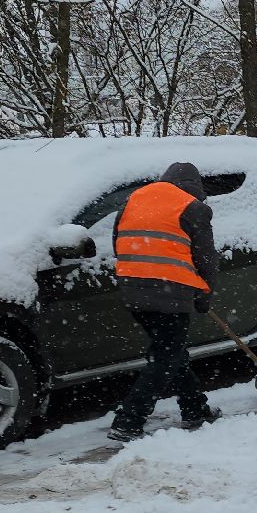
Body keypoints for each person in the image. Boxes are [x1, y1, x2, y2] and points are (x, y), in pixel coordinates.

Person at [107, 162, 223, 442]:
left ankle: (194, 408)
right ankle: (129, 419)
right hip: (170, 292)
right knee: (166, 357)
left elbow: (116, 242)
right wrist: (205, 293)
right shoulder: (194, 208)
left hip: (132, 288)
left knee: (171, 352)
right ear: (195, 189)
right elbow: (206, 259)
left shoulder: (133, 200)